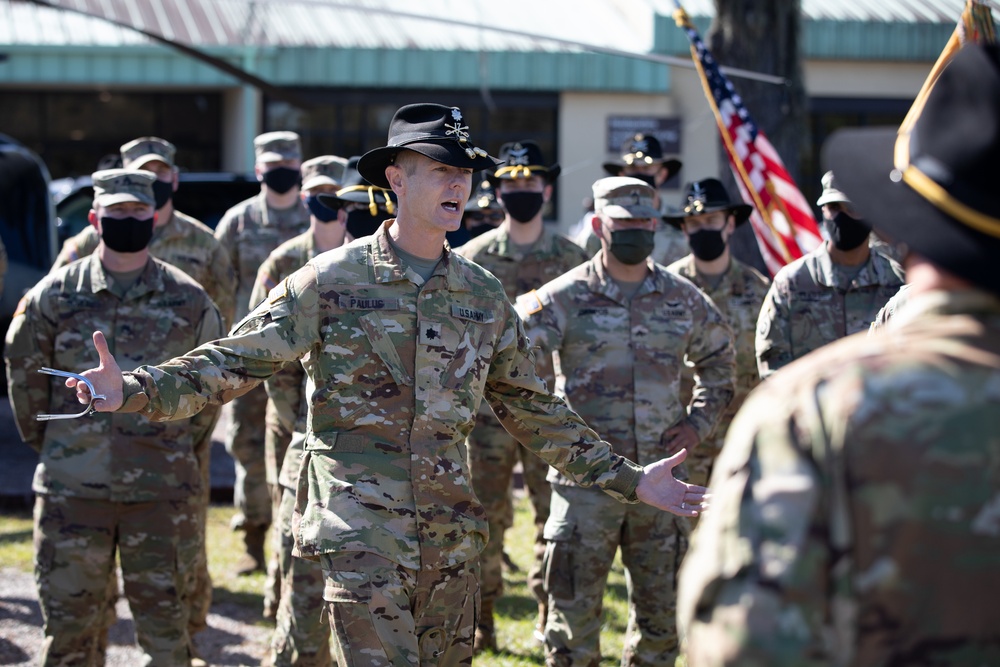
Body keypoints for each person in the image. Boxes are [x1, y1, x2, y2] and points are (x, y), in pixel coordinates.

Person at [66, 103, 708, 667]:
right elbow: (236, 359)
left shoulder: (482, 296)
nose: (459, 184)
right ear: (396, 180)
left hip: (452, 540)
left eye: (465, 173)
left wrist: (631, 478)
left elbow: (537, 410)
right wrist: (139, 387)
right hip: (363, 539)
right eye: (441, 170)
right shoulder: (331, 281)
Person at [677, 43, 1000, 666]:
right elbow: (770, 351)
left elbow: (740, 644)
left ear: (902, 221)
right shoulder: (795, 297)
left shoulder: (810, 411)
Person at [4, 168, 223, 666]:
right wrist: (60, 453)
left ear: (154, 216)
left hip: (162, 496)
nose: (127, 219)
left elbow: (206, 397)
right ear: (94, 219)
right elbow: (25, 383)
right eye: (116, 212)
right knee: (69, 637)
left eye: (137, 211)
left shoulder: (190, 299)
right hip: (73, 498)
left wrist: (172, 453)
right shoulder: (53, 296)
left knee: (168, 639)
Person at [517, 176, 735, 667]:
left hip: (662, 485)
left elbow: (721, 366)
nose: (637, 229)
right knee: (571, 629)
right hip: (585, 487)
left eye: (645, 221)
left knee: (663, 626)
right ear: (598, 225)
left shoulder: (684, 298)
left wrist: (698, 424)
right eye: (624, 222)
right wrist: (558, 432)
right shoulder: (562, 297)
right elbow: (512, 365)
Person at [455, 140, 590, 652]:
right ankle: (482, 618)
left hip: (548, 410)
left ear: (546, 188)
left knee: (553, 516)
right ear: (498, 190)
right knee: (483, 513)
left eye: (530, 183)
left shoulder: (573, 260)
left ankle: (546, 613)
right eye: (510, 183)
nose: (521, 191)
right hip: (485, 414)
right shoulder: (473, 258)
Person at [252, 154, 352, 666]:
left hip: (346, 437)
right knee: (291, 526)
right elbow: (267, 354)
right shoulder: (286, 263)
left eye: (338, 195)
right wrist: (298, 421)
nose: (329, 204)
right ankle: (281, 607)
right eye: (320, 195)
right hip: (293, 421)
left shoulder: (363, 263)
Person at [215, 130, 311, 575]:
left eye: (288, 163)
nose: (281, 172)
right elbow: (220, 284)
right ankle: (254, 535)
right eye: (272, 166)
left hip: (301, 360)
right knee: (246, 444)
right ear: (259, 171)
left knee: (296, 443)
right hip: (248, 352)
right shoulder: (238, 222)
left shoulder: (316, 216)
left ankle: (295, 534)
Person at [53, 136, 237, 328]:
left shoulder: (204, 243)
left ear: (174, 179)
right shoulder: (93, 239)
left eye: (161, 171)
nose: (153, 179)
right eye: (143, 172)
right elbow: (56, 297)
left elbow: (222, 315)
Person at [665, 179, 769, 488]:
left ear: (730, 223)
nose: (703, 229)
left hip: (743, 437)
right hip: (681, 441)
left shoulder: (759, 290)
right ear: (684, 229)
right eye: (694, 223)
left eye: (711, 220)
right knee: (679, 533)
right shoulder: (666, 288)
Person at [754, 169, 905, 378]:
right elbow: (772, 367)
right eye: (833, 207)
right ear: (823, 210)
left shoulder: (896, 282)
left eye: (851, 208)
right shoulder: (792, 283)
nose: (841, 216)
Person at [575, 133, 689, 266]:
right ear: (621, 174)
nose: (639, 174)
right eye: (633, 168)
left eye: (646, 168)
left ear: (662, 174)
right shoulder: (604, 223)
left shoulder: (679, 225)